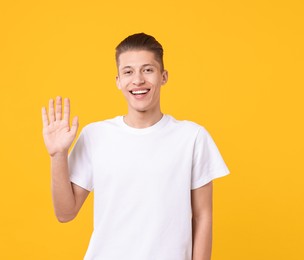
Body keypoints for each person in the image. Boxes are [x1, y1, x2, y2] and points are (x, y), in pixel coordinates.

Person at [41, 33, 229, 260]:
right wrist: (58, 155)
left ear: (164, 76)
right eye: (128, 72)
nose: (138, 80)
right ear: (118, 80)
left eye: (148, 70)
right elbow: (65, 213)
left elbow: (202, 216)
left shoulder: (192, 137)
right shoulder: (96, 135)